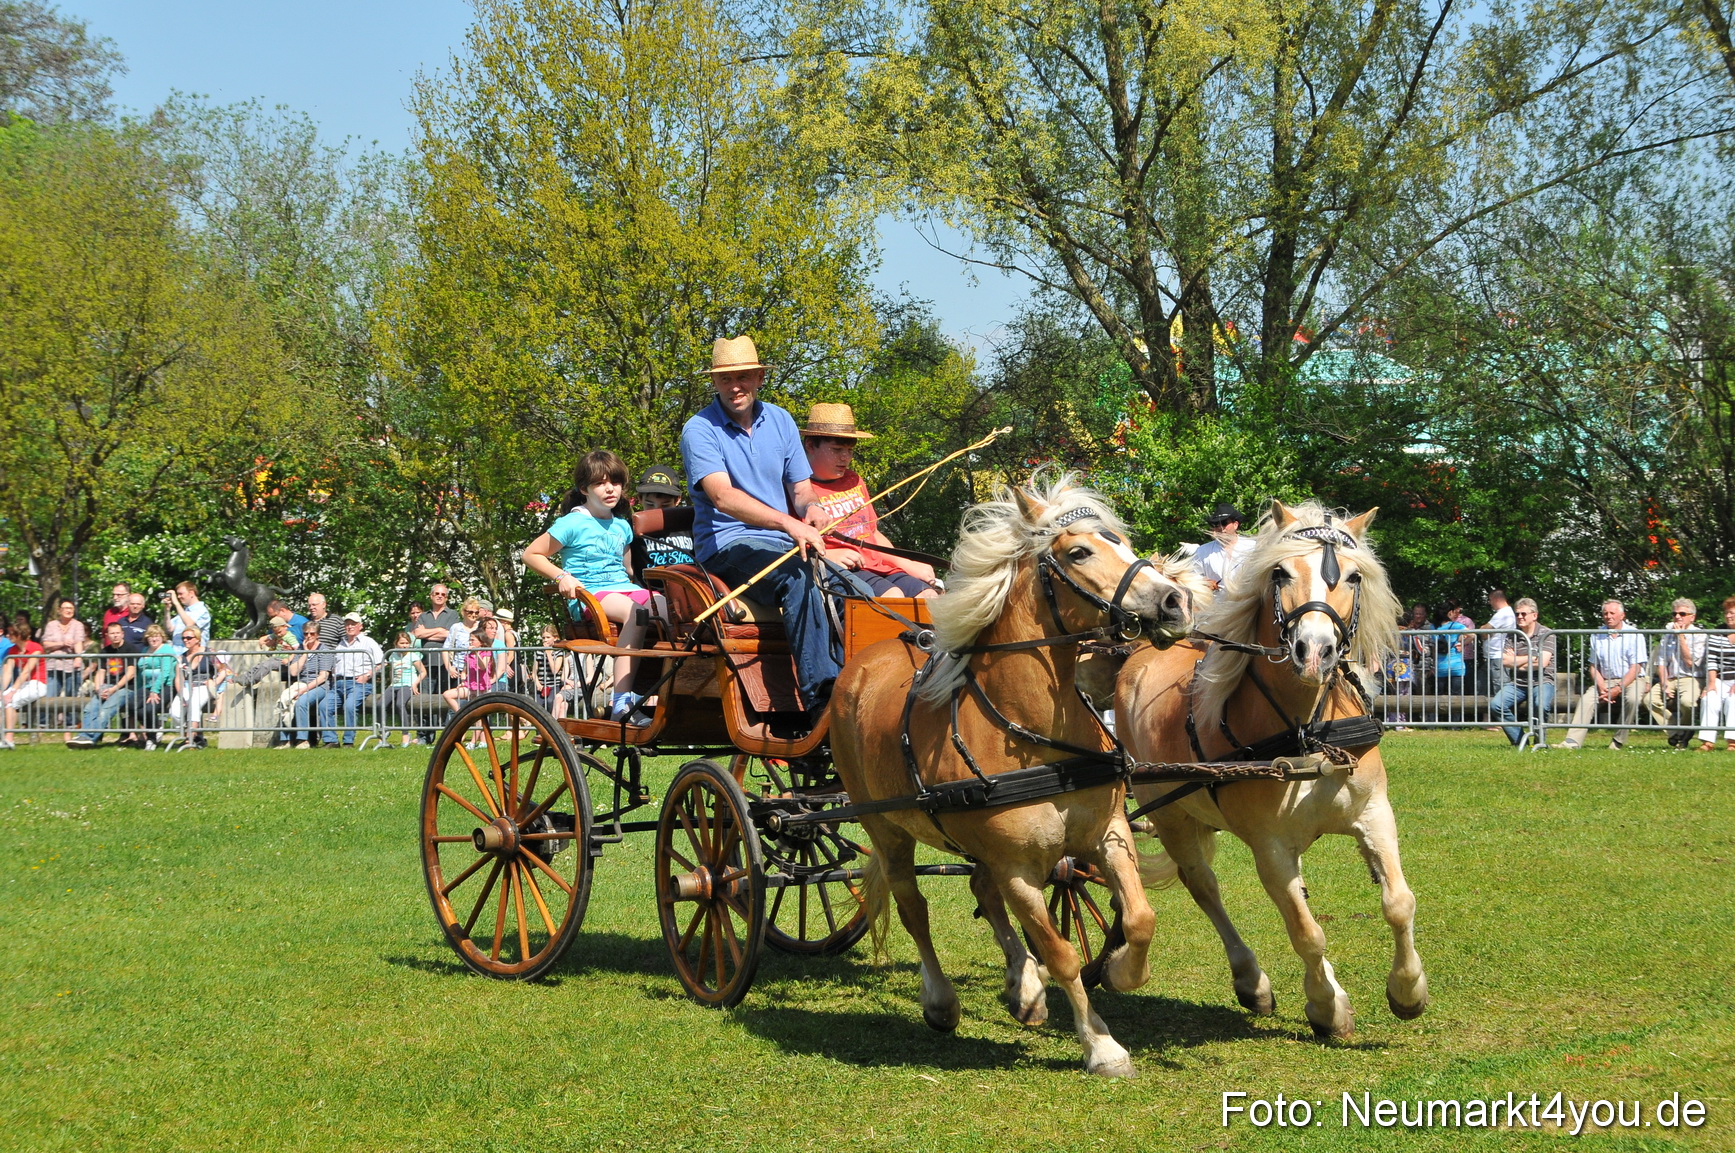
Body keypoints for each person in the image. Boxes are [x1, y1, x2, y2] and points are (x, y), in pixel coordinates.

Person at [678, 335, 841, 714]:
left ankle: (863, 689)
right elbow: (722, 497)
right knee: (800, 577)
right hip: (726, 545)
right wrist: (789, 524)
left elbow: (801, 490)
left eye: (744, 376)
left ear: (759, 377)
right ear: (715, 383)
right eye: (725, 379)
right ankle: (822, 701)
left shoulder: (781, 420)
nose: (735, 386)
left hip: (781, 543)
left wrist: (812, 509)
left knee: (857, 589)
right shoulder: (699, 429)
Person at [521, 449, 667, 724]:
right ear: (584, 488)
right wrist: (561, 577)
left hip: (620, 587)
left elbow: (627, 571)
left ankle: (667, 691)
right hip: (588, 594)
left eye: (615, 482)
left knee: (669, 607)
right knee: (637, 611)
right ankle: (621, 702)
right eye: (600, 483)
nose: (610, 488)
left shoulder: (623, 526)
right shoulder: (573, 522)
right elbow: (530, 554)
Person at [801, 403, 940, 598]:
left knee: (930, 596)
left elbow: (873, 532)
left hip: (879, 565)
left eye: (849, 450)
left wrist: (908, 563)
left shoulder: (854, 480)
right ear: (810, 445)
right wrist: (828, 556)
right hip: (846, 570)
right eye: (836, 449)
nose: (845, 457)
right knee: (894, 597)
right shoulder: (800, 490)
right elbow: (791, 540)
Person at [1561, 599, 1649, 749]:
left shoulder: (1635, 635)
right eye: (1605, 613)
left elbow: (1636, 668)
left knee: (1633, 698)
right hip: (1605, 680)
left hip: (1632, 679)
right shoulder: (1597, 635)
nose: (1608, 616)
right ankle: (1572, 742)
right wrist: (1602, 687)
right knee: (1586, 699)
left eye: (1612, 613)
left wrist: (1617, 689)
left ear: (1622, 615)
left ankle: (1618, 741)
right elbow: (1594, 667)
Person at [1490, 598, 1556, 747]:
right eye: (1517, 614)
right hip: (1518, 683)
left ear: (1534, 615)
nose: (1520, 617)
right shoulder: (1512, 634)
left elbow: (1542, 663)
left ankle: (1540, 742)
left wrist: (1517, 661)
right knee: (1496, 705)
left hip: (1542, 681)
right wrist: (1531, 657)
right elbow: (1505, 662)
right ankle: (1520, 741)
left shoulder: (1547, 634)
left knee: (1541, 705)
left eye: (1523, 614)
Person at [69, 622, 142, 747]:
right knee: (89, 709)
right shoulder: (105, 651)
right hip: (107, 687)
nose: (115, 636)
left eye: (117, 633)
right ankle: (85, 738)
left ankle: (87, 737)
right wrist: (98, 688)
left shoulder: (130, 649)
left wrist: (113, 689)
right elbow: (100, 672)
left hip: (126, 689)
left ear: (122, 634)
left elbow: (130, 674)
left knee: (105, 711)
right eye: (112, 633)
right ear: (107, 635)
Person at [1645, 598, 1705, 746]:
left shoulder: (1700, 635)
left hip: (1691, 677)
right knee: (1649, 699)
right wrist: (1664, 682)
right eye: (1674, 614)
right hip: (1670, 678)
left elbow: (1691, 663)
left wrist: (1680, 637)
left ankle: (1685, 730)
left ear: (1692, 617)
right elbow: (1661, 661)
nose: (1677, 617)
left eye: (1682, 613)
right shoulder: (1667, 634)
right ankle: (1677, 732)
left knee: (1688, 702)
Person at [331, 611, 384, 748]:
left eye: (353, 624)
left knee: (349, 706)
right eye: (347, 624)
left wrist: (367, 675)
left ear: (360, 626)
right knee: (324, 706)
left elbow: (382, 662)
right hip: (338, 683)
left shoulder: (368, 642)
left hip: (359, 683)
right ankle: (331, 740)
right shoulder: (340, 644)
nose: (349, 627)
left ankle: (348, 741)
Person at [631, 463, 697, 570]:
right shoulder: (631, 528)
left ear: (677, 500)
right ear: (639, 498)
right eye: (650, 504)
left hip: (689, 584)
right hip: (650, 586)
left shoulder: (690, 524)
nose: (656, 510)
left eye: (665, 505)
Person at [169, 630, 228, 749]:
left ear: (197, 639)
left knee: (194, 703)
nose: (186, 640)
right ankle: (194, 735)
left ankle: (190, 739)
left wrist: (213, 683)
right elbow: (178, 678)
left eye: (189, 637)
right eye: (183, 638)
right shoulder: (182, 657)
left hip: (204, 686)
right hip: (187, 686)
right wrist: (181, 694)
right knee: (174, 712)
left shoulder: (209, 653)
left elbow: (223, 670)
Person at [0, 615, 46, 749]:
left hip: (38, 684)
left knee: (10, 701)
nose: (8, 636)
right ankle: (2, 738)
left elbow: (26, 671)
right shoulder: (12, 650)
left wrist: (12, 691)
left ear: (20, 634)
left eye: (11, 633)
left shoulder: (35, 648)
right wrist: (2, 690)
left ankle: (9, 738)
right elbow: (8, 671)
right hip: (24, 684)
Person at [1697, 595, 1735, 752]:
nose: (1728, 616)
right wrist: (1711, 683)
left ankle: (1732, 742)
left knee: (1734, 700)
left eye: (1732, 612)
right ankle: (1707, 742)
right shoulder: (1717, 634)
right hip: (1720, 678)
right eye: (1726, 612)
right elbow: (1711, 661)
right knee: (1709, 698)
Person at [1191, 503, 1258, 591]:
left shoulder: (1253, 547)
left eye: (1224, 523)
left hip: (1248, 602)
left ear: (1235, 524)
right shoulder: (1202, 552)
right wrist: (1204, 583)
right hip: (1216, 603)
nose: (1220, 528)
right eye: (1216, 524)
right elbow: (1192, 578)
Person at [286, 629, 335, 749]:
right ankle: (285, 741)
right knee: (283, 701)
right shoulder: (301, 650)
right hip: (300, 683)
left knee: (301, 703)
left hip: (320, 686)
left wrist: (304, 690)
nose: (308, 636)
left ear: (317, 635)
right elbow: (293, 672)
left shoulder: (324, 650)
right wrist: (305, 652)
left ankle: (303, 740)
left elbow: (323, 677)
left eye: (312, 633)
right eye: (306, 633)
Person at [381, 631, 426, 747]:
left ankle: (405, 735)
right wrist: (391, 683)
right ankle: (383, 732)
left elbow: (423, 672)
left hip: (407, 684)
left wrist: (415, 684)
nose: (405, 645)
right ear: (396, 644)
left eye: (407, 643)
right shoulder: (393, 655)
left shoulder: (413, 655)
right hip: (394, 685)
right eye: (402, 643)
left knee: (400, 704)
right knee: (380, 704)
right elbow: (392, 671)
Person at [135, 624, 177, 749]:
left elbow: (165, 672)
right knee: (132, 705)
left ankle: (151, 739)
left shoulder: (167, 650)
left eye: (157, 636)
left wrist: (155, 691)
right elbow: (139, 671)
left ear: (162, 637)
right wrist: (138, 688)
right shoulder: (144, 651)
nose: (154, 639)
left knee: (149, 708)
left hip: (165, 686)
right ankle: (156, 726)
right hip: (146, 686)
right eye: (151, 636)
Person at [40, 596, 89, 702]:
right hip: (54, 665)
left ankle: (70, 719)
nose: (68, 610)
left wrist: (78, 657)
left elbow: (79, 642)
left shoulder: (78, 625)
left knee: (71, 700)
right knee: (50, 699)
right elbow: (46, 644)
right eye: (66, 608)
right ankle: (47, 719)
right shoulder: (51, 625)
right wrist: (62, 643)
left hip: (71, 666)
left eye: (71, 608)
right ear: (59, 610)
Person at [441, 628, 496, 717]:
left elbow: (483, 667)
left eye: (472, 640)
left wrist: (477, 653)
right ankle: (463, 715)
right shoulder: (469, 655)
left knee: (479, 716)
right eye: (469, 640)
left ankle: (477, 728)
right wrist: (463, 682)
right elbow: (464, 672)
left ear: (481, 641)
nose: (470, 642)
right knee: (447, 695)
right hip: (470, 687)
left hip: (482, 688)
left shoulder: (486, 652)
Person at [163, 582, 212, 654]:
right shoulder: (184, 612)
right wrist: (167, 610)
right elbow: (169, 629)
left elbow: (190, 625)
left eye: (181, 594)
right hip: (178, 655)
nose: (178, 597)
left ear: (191, 593)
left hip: (194, 655)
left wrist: (176, 603)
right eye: (177, 594)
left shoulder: (202, 610)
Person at [1485, 589, 1516, 691]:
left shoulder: (1503, 613)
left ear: (1496, 599)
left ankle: (1502, 706)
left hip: (1498, 656)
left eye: (1490, 600)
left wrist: (1483, 630)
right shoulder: (1505, 612)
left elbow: (1484, 631)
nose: (1490, 603)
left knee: (1500, 687)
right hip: (1495, 656)